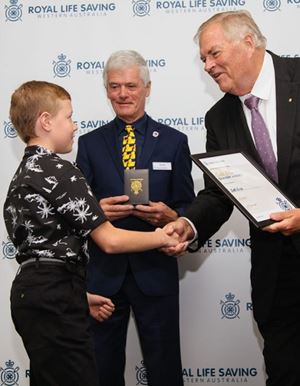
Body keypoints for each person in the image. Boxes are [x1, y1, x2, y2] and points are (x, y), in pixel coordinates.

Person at [3, 80, 179, 386]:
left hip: (30, 293)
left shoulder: (22, 175)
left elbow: (42, 252)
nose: (74, 126)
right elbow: (109, 240)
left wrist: (78, 296)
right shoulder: (60, 170)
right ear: (46, 121)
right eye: (69, 117)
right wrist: (165, 236)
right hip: (56, 296)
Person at [163, 10, 300, 386]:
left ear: (248, 42)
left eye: (213, 53)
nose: (207, 65)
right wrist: (189, 224)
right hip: (277, 277)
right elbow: (219, 196)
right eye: (203, 58)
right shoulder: (218, 117)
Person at [76, 50, 195, 386]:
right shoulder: (88, 144)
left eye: (131, 85)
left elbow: (188, 206)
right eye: (115, 87)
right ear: (106, 90)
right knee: (102, 369)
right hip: (103, 276)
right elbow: (75, 213)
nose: (123, 94)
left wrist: (171, 215)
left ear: (147, 88)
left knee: (165, 367)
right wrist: (97, 212)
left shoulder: (174, 142)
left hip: (155, 271)